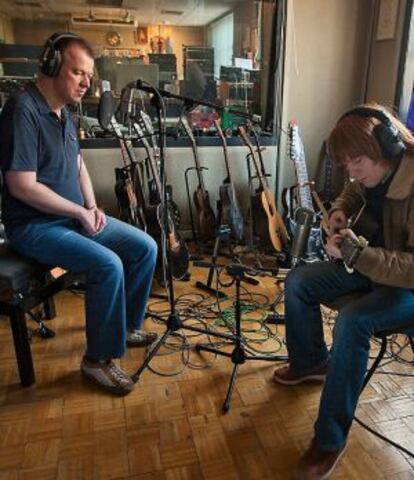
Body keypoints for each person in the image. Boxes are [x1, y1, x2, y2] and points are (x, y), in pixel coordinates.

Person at [0, 32, 158, 396]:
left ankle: (127, 326)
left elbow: (77, 164)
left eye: (89, 74)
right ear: (52, 65)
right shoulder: (22, 110)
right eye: (78, 73)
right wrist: (79, 212)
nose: (87, 82)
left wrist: (91, 206)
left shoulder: (66, 114)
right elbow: (21, 185)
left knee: (145, 247)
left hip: (72, 218)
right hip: (34, 227)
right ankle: (97, 361)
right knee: (108, 265)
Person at [273, 104, 414, 479]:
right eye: (345, 163)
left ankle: (330, 440)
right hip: (370, 266)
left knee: (353, 322)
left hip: (407, 287)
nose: (350, 172)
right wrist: (338, 211)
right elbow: (351, 193)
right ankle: (311, 363)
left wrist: (356, 252)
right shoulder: (368, 174)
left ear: (386, 147)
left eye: (356, 162)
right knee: (299, 281)